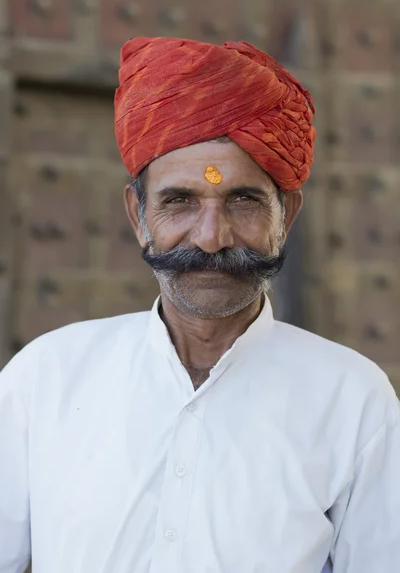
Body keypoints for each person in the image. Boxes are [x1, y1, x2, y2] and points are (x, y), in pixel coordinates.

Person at [0, 37, 399, 573]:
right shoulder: (44, 378)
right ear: (137, 215)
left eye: (243, 200)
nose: (211, 237)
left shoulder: (354, 399)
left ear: (289, 217)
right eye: (179, 201)